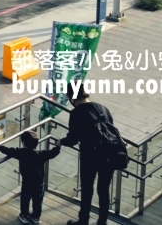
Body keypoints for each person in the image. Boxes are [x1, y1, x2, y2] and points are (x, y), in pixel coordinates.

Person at [61, 84, 116, 225]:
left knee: (87, 189)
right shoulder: (103, 108)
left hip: (89, 156)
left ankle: (83, 220)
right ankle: (102, 222)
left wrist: (60, 142)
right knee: (103, 190)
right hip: (108, 154)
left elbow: (72, 139)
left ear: (73, 98)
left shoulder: (76, 113)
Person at [0, 130, 61, 224]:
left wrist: (0, 147)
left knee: (25, 198)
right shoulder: (41, 154)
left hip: (27, 181)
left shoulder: (21, 153)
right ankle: (36, 217)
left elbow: (10, 151)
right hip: (39, 182)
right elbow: (52, 153)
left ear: (23, 143)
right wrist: (57, 147)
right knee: (37, 200)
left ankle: (24, 215)